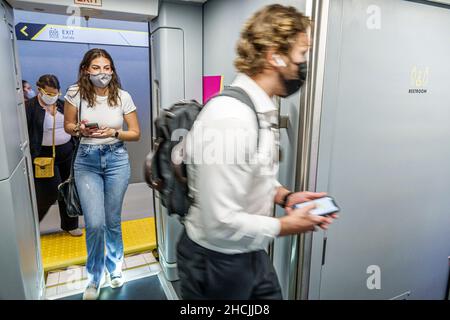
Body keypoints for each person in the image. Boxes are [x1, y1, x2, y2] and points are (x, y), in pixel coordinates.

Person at [177, 4, 338, 300]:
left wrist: (285, 196)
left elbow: (248, 172)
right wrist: (286, 225)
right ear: (274, 55)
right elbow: (219, 222)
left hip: (248, 251)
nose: (304, 64)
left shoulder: (257, 108)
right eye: (302, 55)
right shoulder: (231, 118)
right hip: (216, 262)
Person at [63, 48, 140, 300]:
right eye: (96, 68)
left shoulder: (123, 96)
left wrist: (113, 133)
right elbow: (68, 126)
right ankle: (94, 278)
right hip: (87, 161)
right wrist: (80, 130)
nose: (102, 73)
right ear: (86, 69)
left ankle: (115, 270)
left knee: (112, 222)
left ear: (112, 70)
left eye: (107, 67)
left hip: (117, 159)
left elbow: (135, 133)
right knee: (95, 224)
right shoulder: (75, 93)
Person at [25, 74, 82, 237]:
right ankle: (32, 227)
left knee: (69, 190)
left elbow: (73, 124)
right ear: (39, 90)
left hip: (67, 153)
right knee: (48, 193)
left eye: (55, 93)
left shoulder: (63, 105)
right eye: (49, 94)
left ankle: (70, 225)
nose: (52, 97)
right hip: (44, 156)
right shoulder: (30, 107)